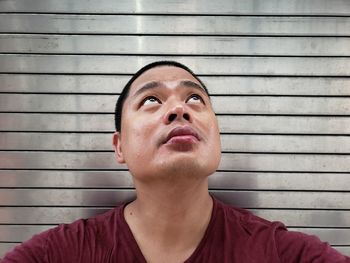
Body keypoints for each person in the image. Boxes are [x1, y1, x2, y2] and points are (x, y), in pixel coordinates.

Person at [2, 61, 349, 263]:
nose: (179, 109)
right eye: (151, 100)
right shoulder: (64, 253)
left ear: (216, 137)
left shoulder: (278, 252)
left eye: (195, 98)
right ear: (119, 146)